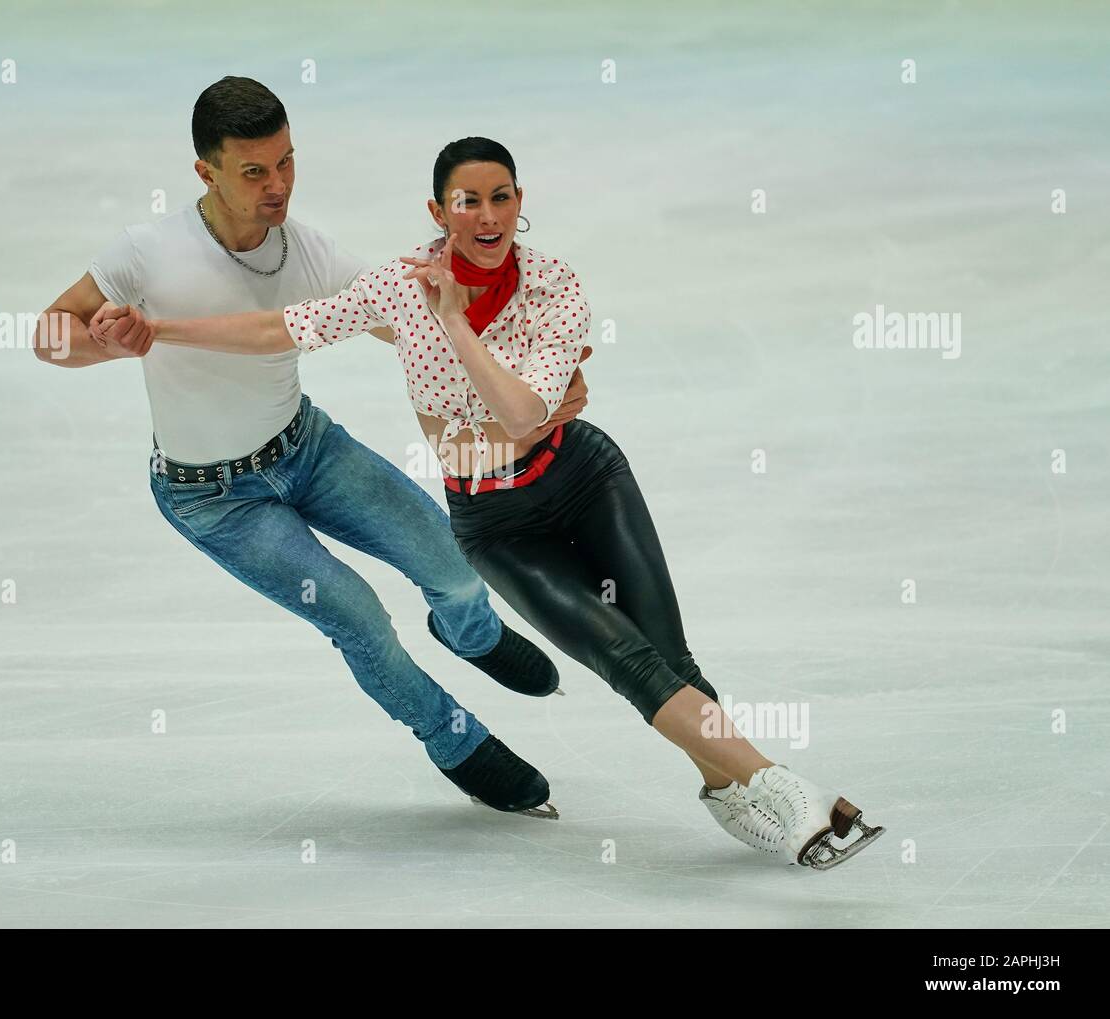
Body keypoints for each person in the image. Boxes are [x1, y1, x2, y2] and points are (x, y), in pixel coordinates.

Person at [93, 136, 886, 869]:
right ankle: (787, 791)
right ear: (438, 214)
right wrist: (160, 329)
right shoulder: (401, 288)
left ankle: (730, 788)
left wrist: (457, 328)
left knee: (671, 658)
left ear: (518, 201)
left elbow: (514, 414)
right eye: (466, 201)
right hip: (499, 526)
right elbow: (280, 329)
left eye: (500, 196)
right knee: (625, 660)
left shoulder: (554, 286)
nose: (485, 215)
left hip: (584, 478)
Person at [33, 81, 594, 820]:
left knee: (452, 559)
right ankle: (455, 739)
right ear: (207, 173)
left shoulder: (307, 248)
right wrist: (111, 343)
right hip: (215, 499)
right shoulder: (148, 252)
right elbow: (48, 337)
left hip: (309, 449)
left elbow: (410, 323)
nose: (279, 186)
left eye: (288, 162)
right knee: (359, 618)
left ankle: (473, 631)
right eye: (256, 172)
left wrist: (526, 375)